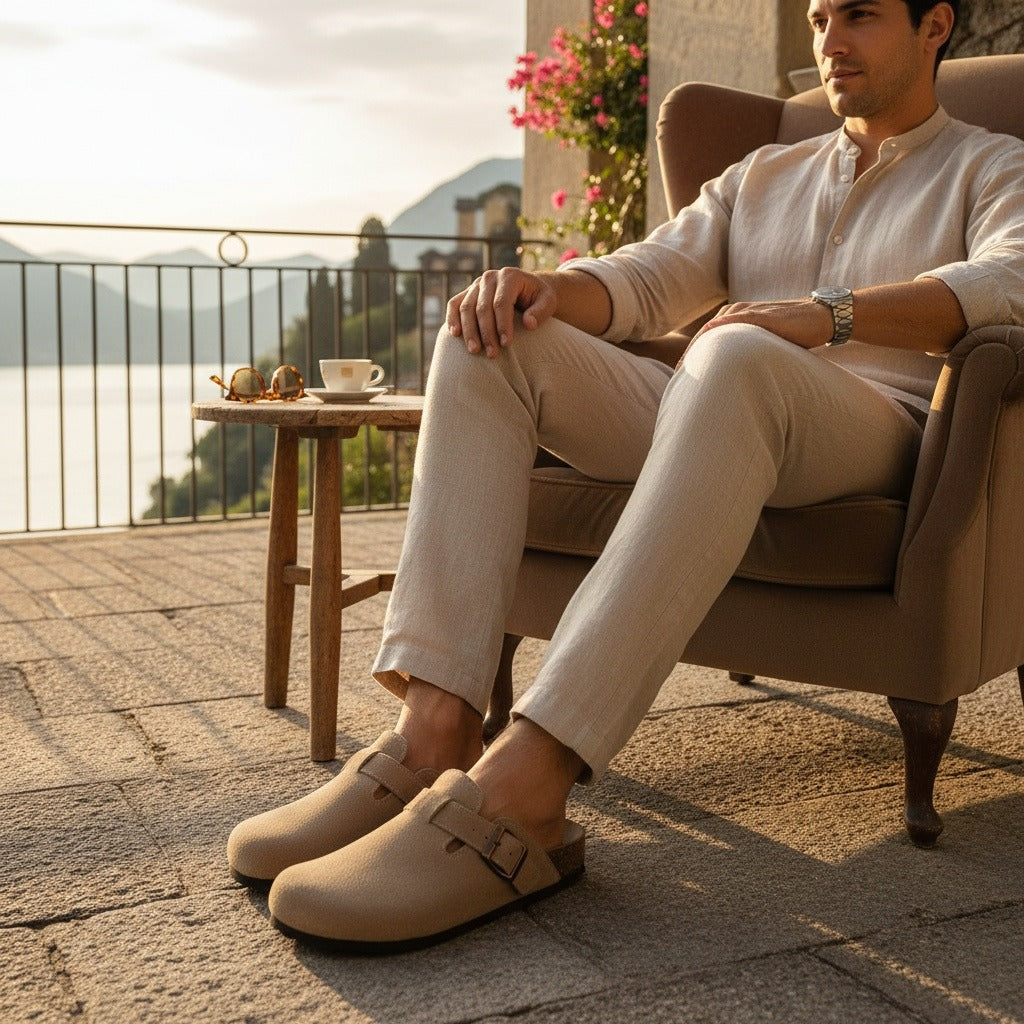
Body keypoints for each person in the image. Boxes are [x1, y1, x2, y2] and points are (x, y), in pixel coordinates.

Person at [228, 0, 1024, 951]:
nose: (830, 42)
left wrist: (827, 315)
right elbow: (649, 277)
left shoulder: (992, 165)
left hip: (883, 434)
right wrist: (548, 289)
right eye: (817, 19)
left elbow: (1011, 281)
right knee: (491, 338)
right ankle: (435, 733)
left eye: (860, 15)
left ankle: (527, 791)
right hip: (722, 411)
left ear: (936, 26)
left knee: (730, 353)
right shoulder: (761, 173)